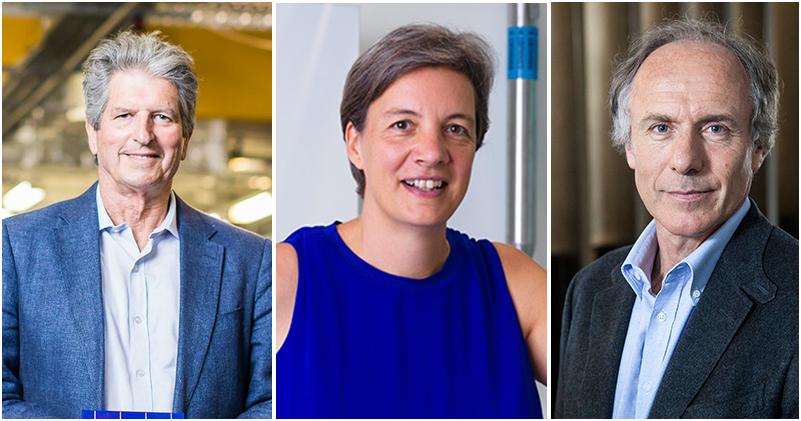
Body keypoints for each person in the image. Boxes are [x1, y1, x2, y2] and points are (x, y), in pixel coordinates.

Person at [276, 24, 546, 418]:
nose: (432, 152)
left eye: (456, 129)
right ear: (355, 143)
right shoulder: (286, 278)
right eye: (403, 125)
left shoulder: (514, 283)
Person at [2, 30, 271, 418]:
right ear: (93, 133)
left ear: (186, 137)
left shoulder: (252, 260)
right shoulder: (17, 247)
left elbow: (271, 399)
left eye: (162, 117)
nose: (143, 135)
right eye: (124, 115)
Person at [555, 19, 798, 419]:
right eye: (661, 127)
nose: (685, 160)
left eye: (716, 128)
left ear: (758, 148)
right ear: (630, 145)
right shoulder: (590, 289)